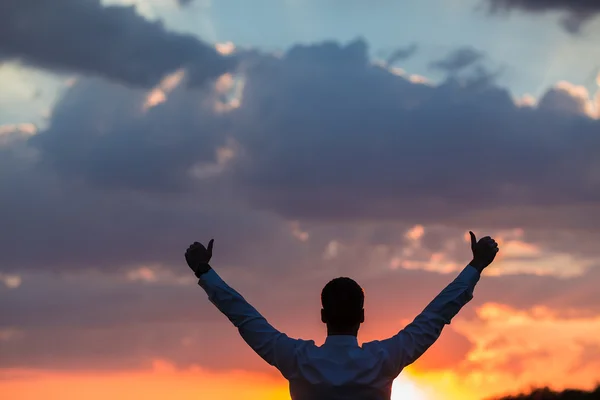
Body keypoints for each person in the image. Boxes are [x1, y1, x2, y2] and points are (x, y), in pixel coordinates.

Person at [185, 231, 499, 400]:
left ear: (322, 315)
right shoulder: (383, 360)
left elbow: (244, 316)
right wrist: (476, 266)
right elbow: (435, 316)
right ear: (362, 315)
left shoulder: (297, 359)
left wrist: (204, 271)